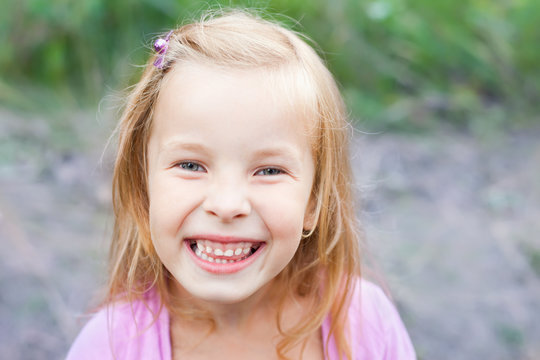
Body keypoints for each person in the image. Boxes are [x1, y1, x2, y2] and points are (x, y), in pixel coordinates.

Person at [66, 9, 416, 360]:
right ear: (144, 191)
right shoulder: (110, 346)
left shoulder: (366, 324)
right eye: (191, 165)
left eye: (268, 171)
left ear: (314, 201)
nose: (228, 203)